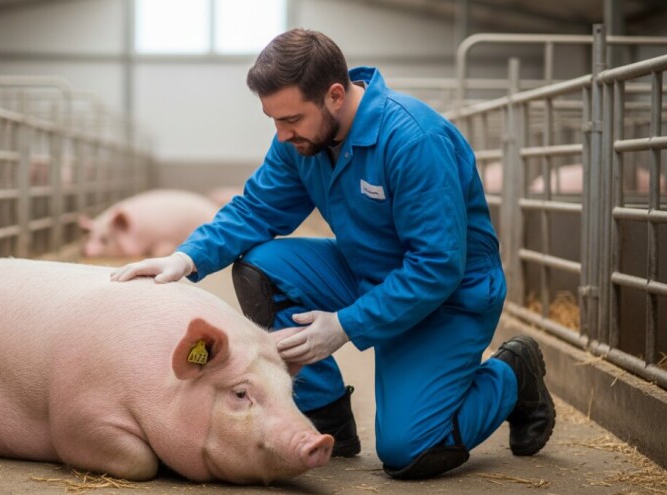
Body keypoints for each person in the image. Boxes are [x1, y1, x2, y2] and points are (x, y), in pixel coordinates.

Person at [111, 28, 555, 478]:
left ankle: (512, 375)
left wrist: (345, 325)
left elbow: (437, 266)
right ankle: (326, 413)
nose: (282, 134)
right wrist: (186, 258)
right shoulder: (302, 141)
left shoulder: (413, 140)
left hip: (447, 298)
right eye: (274, 120)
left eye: (291, 120)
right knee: (261, 267)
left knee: (410, 451)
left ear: (336, 95)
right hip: (366, 271)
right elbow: (257, 208)